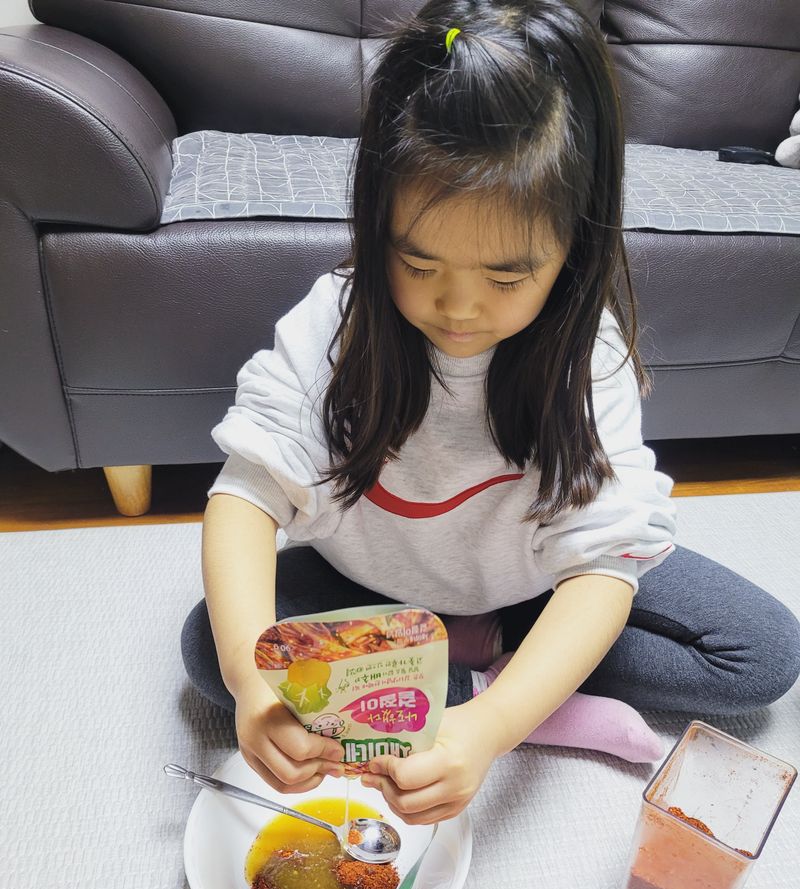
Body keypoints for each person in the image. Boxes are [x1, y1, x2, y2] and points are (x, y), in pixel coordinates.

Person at [182, 0, 800, 825]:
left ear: (573, 248)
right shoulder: (337, 321)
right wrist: (252, 683)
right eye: (417, 263)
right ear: (377, 223)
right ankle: (487, 686)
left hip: (527, 587)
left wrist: (488, 731)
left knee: (760, 653)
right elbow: (247, 494)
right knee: (212, 647)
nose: (461, 307)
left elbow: (603, 567)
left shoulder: (587, 354)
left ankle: (495, 693)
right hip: (374, 586)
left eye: (508, 276)